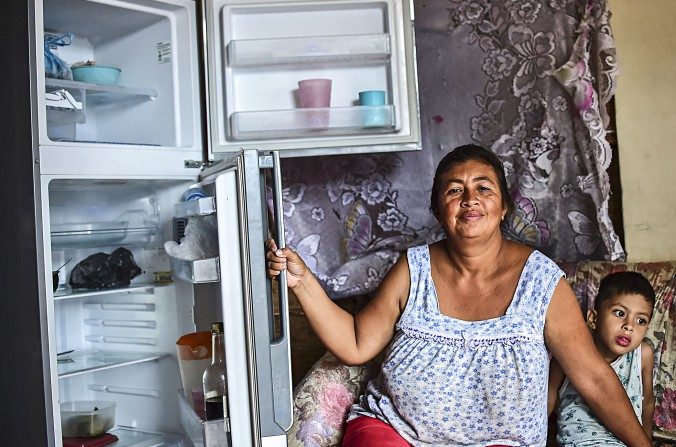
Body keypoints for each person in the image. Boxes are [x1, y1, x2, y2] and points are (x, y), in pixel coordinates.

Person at [265, 144, 651, 447]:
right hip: (395, 433)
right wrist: (301, 281)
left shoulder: (542, 282)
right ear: (438, 210)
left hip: (500, 443)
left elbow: (595, 379)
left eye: (483, 188)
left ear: (503, 208)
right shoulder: (412, 268)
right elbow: (355, 343)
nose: (470, 199)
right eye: (454, 191)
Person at [548, 271, 656, 445]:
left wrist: (646, 440)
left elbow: (648, 402)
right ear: (593, 318)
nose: (629, 326)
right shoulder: (570, 353)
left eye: (641, 321)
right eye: (620, 313)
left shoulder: (643, 355)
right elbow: (547, 399)